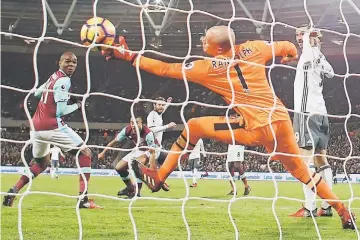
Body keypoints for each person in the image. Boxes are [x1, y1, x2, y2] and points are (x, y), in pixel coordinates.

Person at [102, 26, 355, 229]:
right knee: (303, 171)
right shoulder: (255, 48)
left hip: (255, 126)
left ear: (215, 46)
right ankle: (344, 211)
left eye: (205, 41)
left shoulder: (207, 67)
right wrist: (289, 57)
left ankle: (158, 179)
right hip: (280, 120)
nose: (202, 44)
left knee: (193, 126)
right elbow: (288, 47)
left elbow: (165, 69)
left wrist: (129, 56)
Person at [3, 52, 101, 209]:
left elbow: (36, 94)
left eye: (74, 62)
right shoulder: (64, 81)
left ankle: (14, 190)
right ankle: (83, 200)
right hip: (52, 125)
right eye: (67, 62)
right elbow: (61, 111)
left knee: (42, 163)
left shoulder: (53, 77)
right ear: (60, 62)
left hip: (36, 127)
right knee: (85, 153)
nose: (71, 65)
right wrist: (77, 105)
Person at [290, 26, 335, 218]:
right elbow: (331, 73)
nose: (299, 37)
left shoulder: (308, 53)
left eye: (303, 33)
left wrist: (309, 38)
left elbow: (308, 50)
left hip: (306, 113)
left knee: (303, 162)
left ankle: (309, 208)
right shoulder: (320, 57)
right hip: (321, 113)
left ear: (313, 36)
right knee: (321, 160)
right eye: (298, 34)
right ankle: (327, 206)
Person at [98, 116, 166, 197]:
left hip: (153, 150)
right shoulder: (127, 130)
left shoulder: (148, 134)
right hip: (139, 149)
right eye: (132, 123)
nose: (134, 125)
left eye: (137, 123)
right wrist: (103, 152)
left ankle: (137, 192)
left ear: (141, 124)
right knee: (119, 167)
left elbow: (152, 152)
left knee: (136, 164)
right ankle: (130, 188)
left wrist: (152, 173)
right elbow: (114, 141)